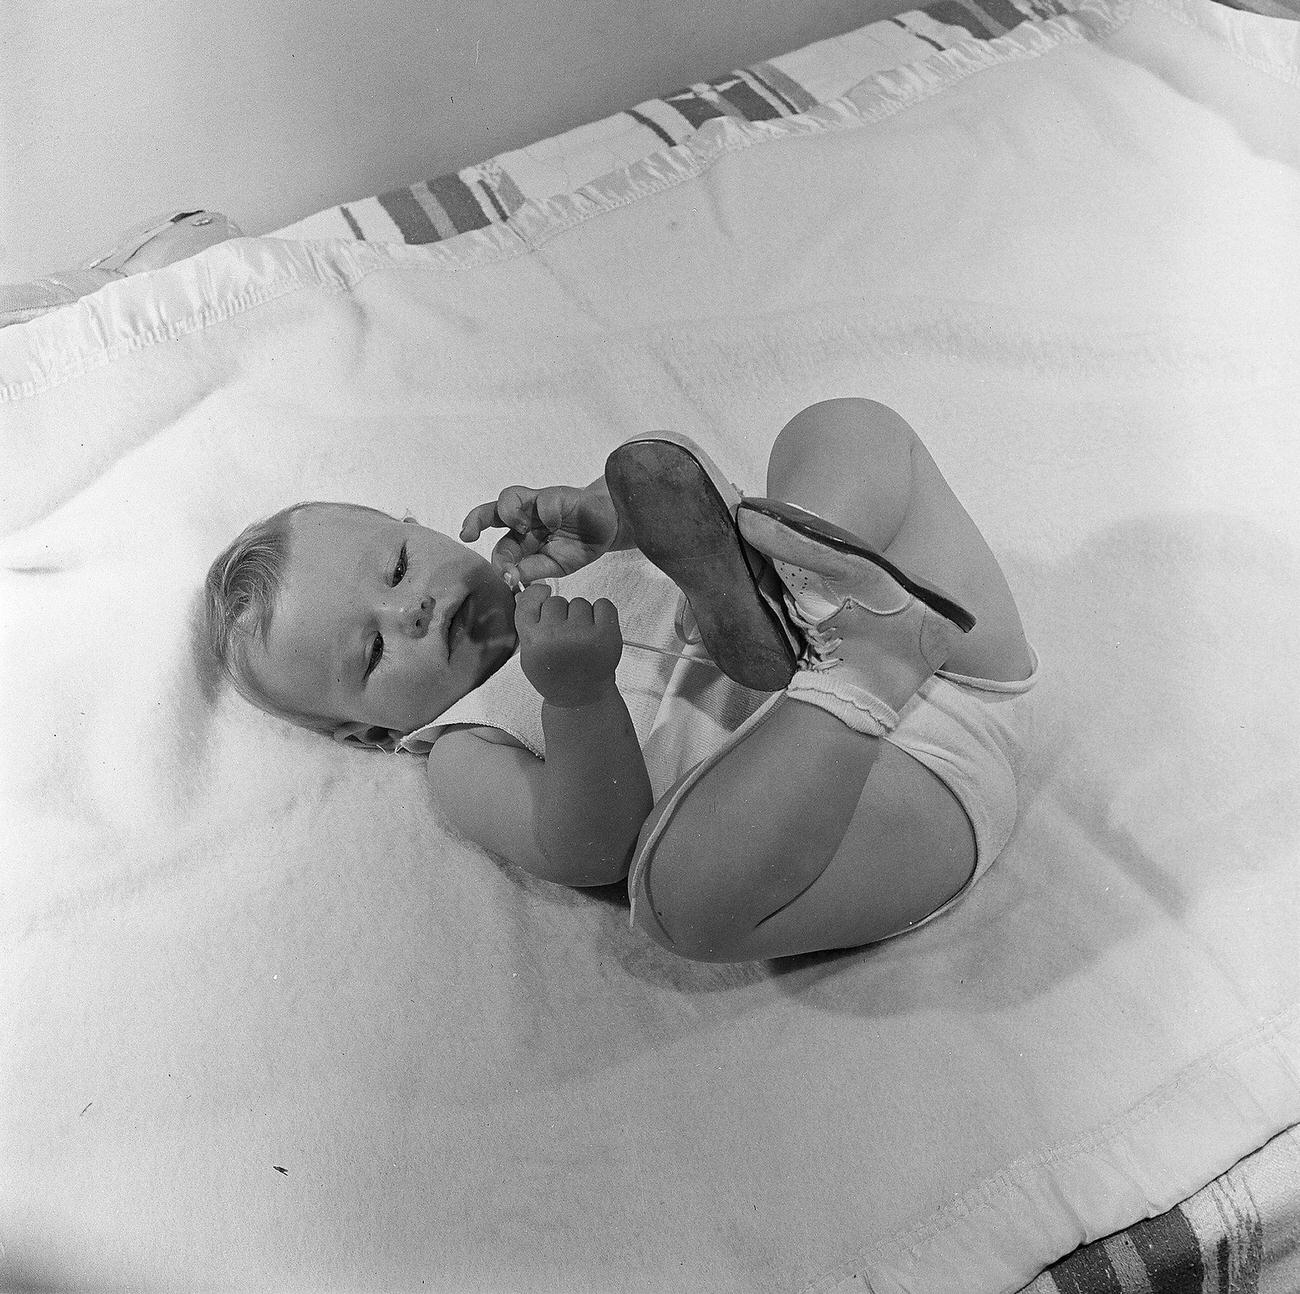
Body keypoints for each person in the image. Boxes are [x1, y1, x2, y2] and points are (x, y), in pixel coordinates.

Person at [204, 398, 1038, 961]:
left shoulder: (553, 573)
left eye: (396, 566)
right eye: (374, 656)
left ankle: (811, 573)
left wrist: (613, 521)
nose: (411, 613)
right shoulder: (461, 753)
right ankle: (849, 665)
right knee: (677, 900)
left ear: (422, 528)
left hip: (951, 648)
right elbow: (590, 848)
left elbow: (679, 520)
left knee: (844, 430)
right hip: (889, 805)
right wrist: (574, 697)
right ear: (371, 733)